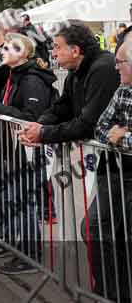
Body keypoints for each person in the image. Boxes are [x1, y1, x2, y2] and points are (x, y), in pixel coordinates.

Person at [0, 33, 57, 274]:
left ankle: (30, 255)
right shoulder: (14, 75)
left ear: (25, 53)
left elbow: (31, 117)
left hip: (28, 151)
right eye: (3, 47)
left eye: (12, 48)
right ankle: (12, 247)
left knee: (23, 202)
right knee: (12, 199)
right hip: (12, 149)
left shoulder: (32, 79)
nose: (4, 51)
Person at [20, 22, 119, 146]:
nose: (53, 54)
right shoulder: (75, 70)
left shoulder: (104, 69)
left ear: (75, 51)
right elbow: (61, 108)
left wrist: (43, 134)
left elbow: (89, 123)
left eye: (57, 47)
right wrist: (40, 126)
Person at [90, 39, 132, 302]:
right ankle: (109, 293)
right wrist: (118, 136)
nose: (116, 68)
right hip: (116, 173)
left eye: (120, 63)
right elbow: (100, 128)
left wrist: (123, 137)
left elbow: (111, 132)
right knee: (94, 228)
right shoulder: (122, 91)